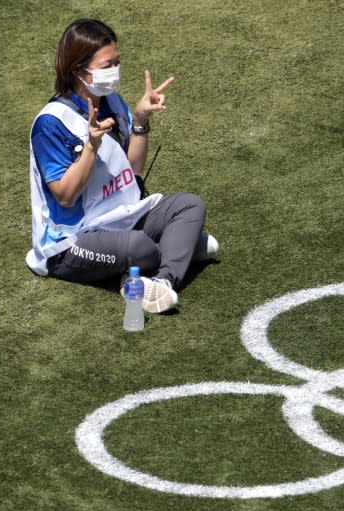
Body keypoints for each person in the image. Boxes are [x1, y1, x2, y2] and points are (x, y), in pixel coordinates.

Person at [26, 18, 218, 313]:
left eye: (117, 62)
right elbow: (65, 196)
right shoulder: (51, 124)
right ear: (79, 70)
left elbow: (133, 170)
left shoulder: (112, 101)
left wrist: (140, 121)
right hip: (70, 242)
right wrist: (91, 146)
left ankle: (162, 282)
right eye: (107, 65)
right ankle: (177, 251)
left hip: (122, 217)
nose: (115, 71)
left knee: (189, 205)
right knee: (141, 248)